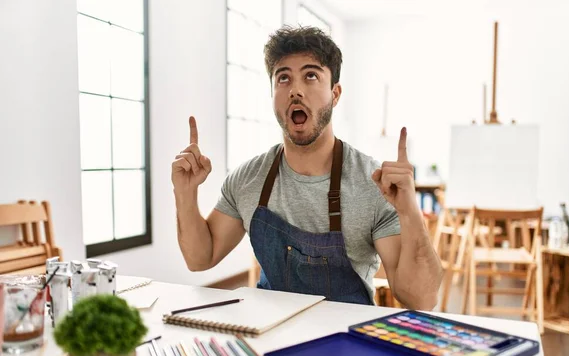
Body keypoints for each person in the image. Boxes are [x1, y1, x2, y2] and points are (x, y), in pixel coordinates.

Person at [171, 26, 442, 309]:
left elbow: (420, 299)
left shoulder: (373, 184)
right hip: (267, 333)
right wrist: (185, 194)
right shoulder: (248, 179)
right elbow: (200, 258)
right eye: (283, 78)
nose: (296, 90)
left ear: (335, 94)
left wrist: (410, 212)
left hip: (344, 342)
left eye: (311, 76)